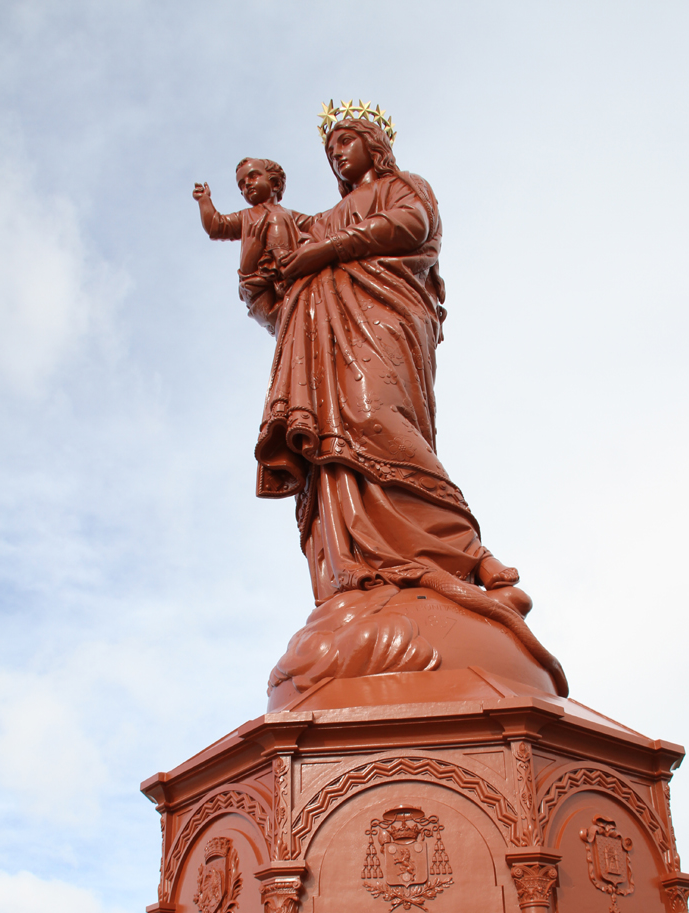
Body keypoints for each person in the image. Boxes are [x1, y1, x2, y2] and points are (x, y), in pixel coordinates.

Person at [236, 112, 566, 697]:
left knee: (375, 416)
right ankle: (360, 575)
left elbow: (410, 228)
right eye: (330, 149)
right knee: (335, 453)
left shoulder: (402, 186)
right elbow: (275, 292)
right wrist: (261, 253)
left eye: (346, 142)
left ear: (374, 145)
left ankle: (466, 552)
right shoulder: (316, 221)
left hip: (384, 319)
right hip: (326, 343)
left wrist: (321, 255)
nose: (337, 155)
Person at [194, 158, 304, 334]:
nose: (247, 185)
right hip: (256, 287)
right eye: (242, 185)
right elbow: (216, 225)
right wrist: (203, 200)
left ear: (275, 183)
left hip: (282, 287)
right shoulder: (246, 216)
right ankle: (286, 266)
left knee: (280, 218)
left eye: (253, 177)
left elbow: (318, 223)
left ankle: (287, 269)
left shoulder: (289, 215)